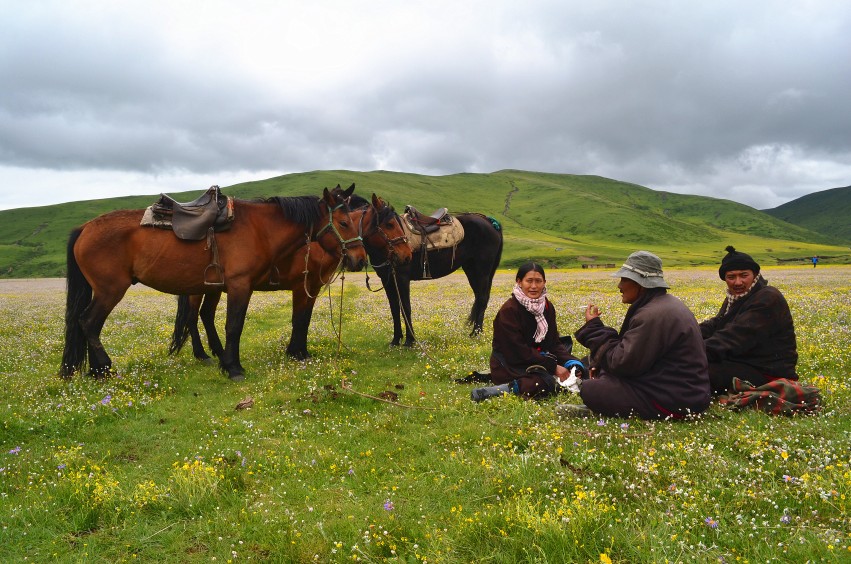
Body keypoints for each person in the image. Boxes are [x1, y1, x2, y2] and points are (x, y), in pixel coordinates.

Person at [565, 251, 711, 419]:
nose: (619, 286)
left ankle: (600, 408)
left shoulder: (653, 315)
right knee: (600, 373)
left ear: (641, 283)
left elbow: (621, 363)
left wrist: (593, 328)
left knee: (591, 389)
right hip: (683, 393)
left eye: (625, 280)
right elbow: (632, 357)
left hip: (675, 401)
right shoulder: (664, 305)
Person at [471, 262, 585, 402]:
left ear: (544, 282)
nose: (534, 286)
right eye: (529, 281)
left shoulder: (547, 307)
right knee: (541, 383)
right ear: (519, 282)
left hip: (538, 359)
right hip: (510, 364)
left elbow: (553, 343)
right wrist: (553, 367)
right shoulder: (509, 310)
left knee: (581, 369)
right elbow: (516, 351)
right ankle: (502, 390)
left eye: (538, 281)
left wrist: (570, 363)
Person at [699, 246, 798, 395]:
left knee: (696, 370)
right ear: (725, 278)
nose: (737, 282)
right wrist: (687, 334)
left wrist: (691, 352)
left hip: (768, 373)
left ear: (755, 274)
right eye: (731, 277)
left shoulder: (768, 298)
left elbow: (733, 338)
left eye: (743, 275)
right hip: (745, 363)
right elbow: (717, 324)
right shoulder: (739, 297)